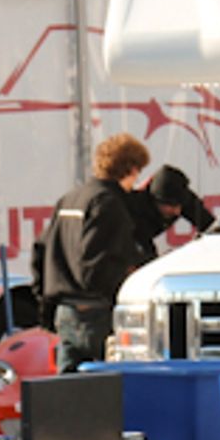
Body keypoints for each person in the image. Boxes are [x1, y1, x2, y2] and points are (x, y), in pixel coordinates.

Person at [36, 133, 150, 371]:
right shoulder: (108, 203)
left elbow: (42, 251)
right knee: (105, 390)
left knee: (69, 393)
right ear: (130, 169)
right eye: (137, 172)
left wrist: (44, 303)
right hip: (96, 313)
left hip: (65, 310)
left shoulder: (69, 199)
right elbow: (97, 265)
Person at [125, 162, 215, 268]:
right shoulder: (136, 209)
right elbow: (143, 252)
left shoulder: (184, 199)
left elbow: (210, 226)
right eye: (171, 207)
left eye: (180, 206)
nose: (177, 212)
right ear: (156, 201)